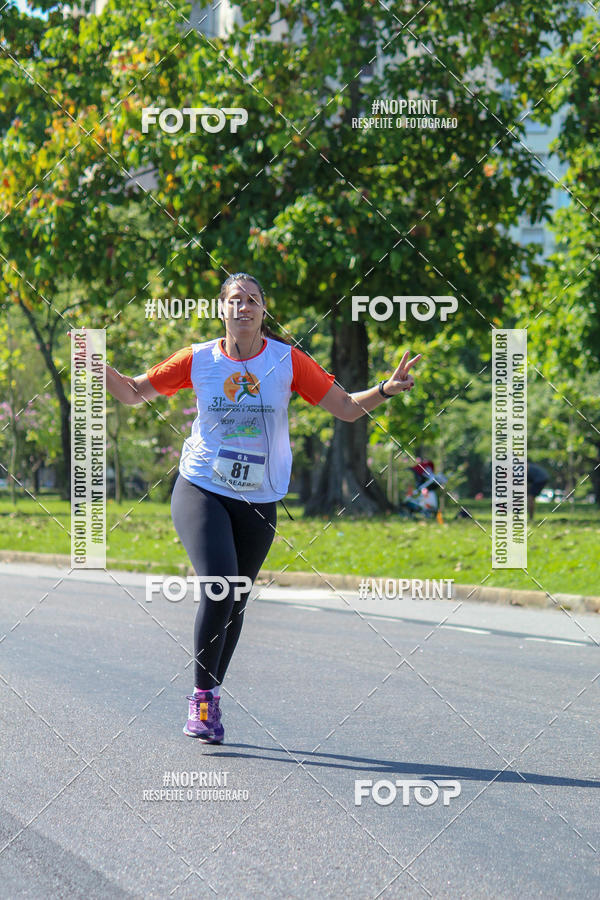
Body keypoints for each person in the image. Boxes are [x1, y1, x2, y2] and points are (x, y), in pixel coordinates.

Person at [102, 273, 421, 743]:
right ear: (222, 309)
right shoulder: (198, 359)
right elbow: (132, 392)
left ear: (263, 311)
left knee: (235, 601)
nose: (244, 308)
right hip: (202, 487)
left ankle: (211, 694)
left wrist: (388, 389)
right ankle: (201, 700)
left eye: (253, 300)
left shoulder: (287, 361)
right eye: (235, 300)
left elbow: (347, 409)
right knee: (219, 587)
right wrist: (92, 362)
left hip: (260, 496)